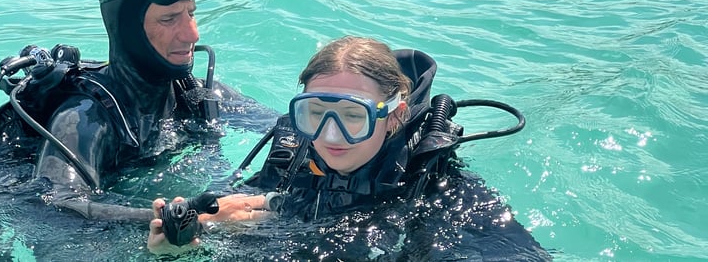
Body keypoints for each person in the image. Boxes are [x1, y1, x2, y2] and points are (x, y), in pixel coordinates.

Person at [147, 36, 552, 261]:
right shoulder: (294, 157)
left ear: (394, 115)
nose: (329, 136)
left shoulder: (437, 191)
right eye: (315, 114)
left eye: (352, 116)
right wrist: (184, 245)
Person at [0, 0, 276, 222]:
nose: (192, 34)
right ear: (127, 28)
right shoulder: (84, 120)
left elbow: (286, 126)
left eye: (191, 13)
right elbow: (54, 209)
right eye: (169, 19)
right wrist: (187, 218)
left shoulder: (195, 96)